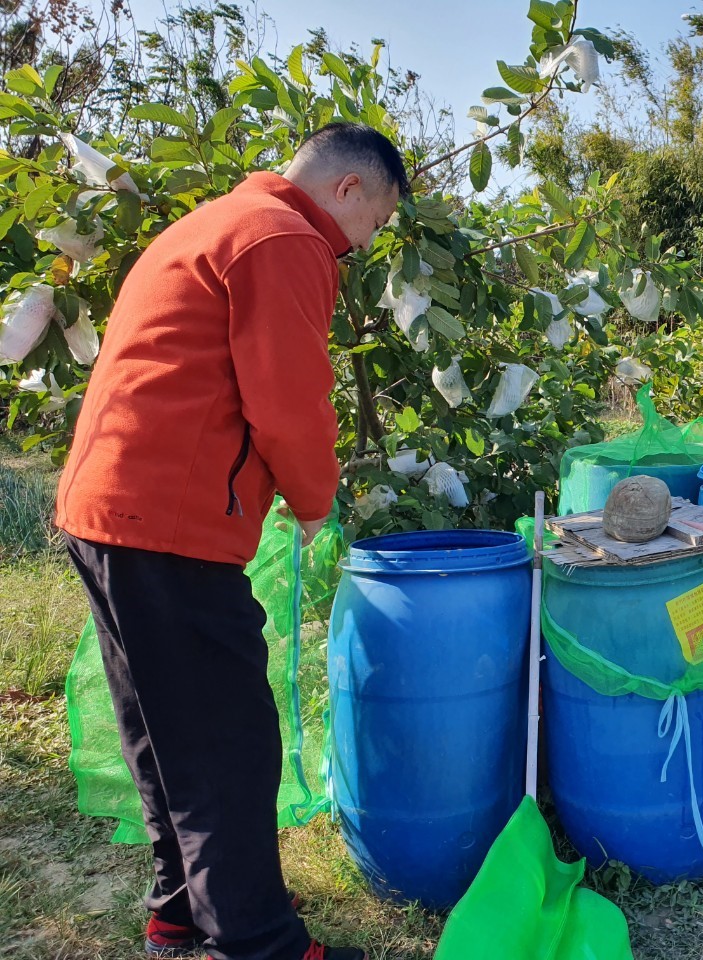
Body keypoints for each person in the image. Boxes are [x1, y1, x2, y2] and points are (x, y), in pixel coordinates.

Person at [55, 122, 408, 960]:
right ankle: (254, 942)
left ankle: (181, 909)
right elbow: (288, 397)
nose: (365, 247)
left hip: (106, 511)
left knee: (164, 729)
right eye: (377, 224)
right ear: (348, 190)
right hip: (168, 522)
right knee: (228, 740)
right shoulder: (287, 238)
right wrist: (314, 498)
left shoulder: (218, 220)